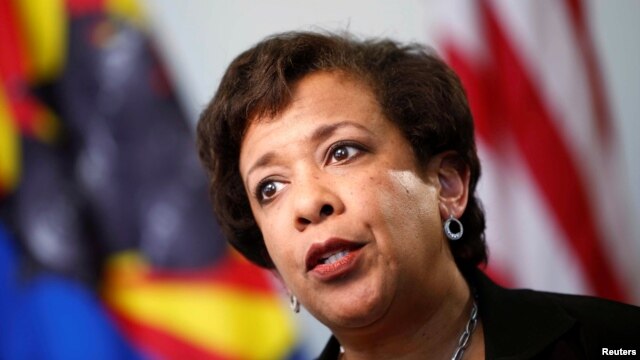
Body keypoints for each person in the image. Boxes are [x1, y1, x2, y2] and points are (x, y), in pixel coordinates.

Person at [196, 31, 640, 360]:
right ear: (272, 261)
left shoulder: (615, 343)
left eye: (342, 151)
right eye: (270, 187)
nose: (308, 204)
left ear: (446, 186)